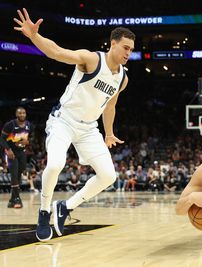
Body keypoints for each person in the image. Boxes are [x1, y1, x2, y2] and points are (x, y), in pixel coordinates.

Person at [13, 8, 135, 241]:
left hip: (89, 128)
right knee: (56, 163)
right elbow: (57, 52)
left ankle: (66, 207)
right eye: (125, 48)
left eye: (131, 49)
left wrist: (109, 133)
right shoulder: (91, 59)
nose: (128, 53)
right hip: (64, 120)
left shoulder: (123, 78)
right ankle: (44, 211)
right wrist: (34, 37)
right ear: (113, 44)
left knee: (108, 176)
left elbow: (110, 106)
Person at [0, 107, 32, 208]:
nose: (22, 115)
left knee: (19, 173)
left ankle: (11, 200)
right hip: (11, 153)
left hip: (21, 153)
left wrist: (27, 142)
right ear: (16, 114)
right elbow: (2, 139)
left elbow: (28, 138)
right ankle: (17, 199)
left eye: (23, 113)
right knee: (14, 174)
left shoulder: (29, 125)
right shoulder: (10, 124)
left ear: (26, 114)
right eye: (20, 113)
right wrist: (8, 150)